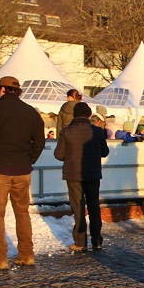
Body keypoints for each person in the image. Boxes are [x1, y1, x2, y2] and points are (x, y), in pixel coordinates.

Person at [0, 76, 46, 270]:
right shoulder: (31, 112)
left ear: (3, 90)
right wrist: (29, 160)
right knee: (22, 213)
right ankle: (26, 255)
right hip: (23, 170)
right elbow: (40, 142)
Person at [55, 101, 109, 252]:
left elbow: (59, 155)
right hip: (92, 174)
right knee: (93, 206)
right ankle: (97, 240)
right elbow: (105, 152)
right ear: (88, 115)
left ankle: (80, 242)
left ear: (74, 115)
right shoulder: (97, 132)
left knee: (78, 207)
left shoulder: (66, 131)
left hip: (73, 175)